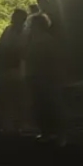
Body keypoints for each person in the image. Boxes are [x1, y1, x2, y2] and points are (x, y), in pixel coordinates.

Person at [25, 13, 65, 145]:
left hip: (43, 78)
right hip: (42, 78)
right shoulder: (44, 40)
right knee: (43, 105)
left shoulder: (42, 42)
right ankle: (48, 132)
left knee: (45, 105)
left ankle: (49, 132)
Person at [0, 9, 28, 133]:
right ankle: (7, 125)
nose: (12, 19)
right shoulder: (8, 30)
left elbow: (23, 51)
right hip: (5, 67)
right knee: (5, 97)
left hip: (17, 68)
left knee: (18, 96)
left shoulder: (25, 33)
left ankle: (20, 124)